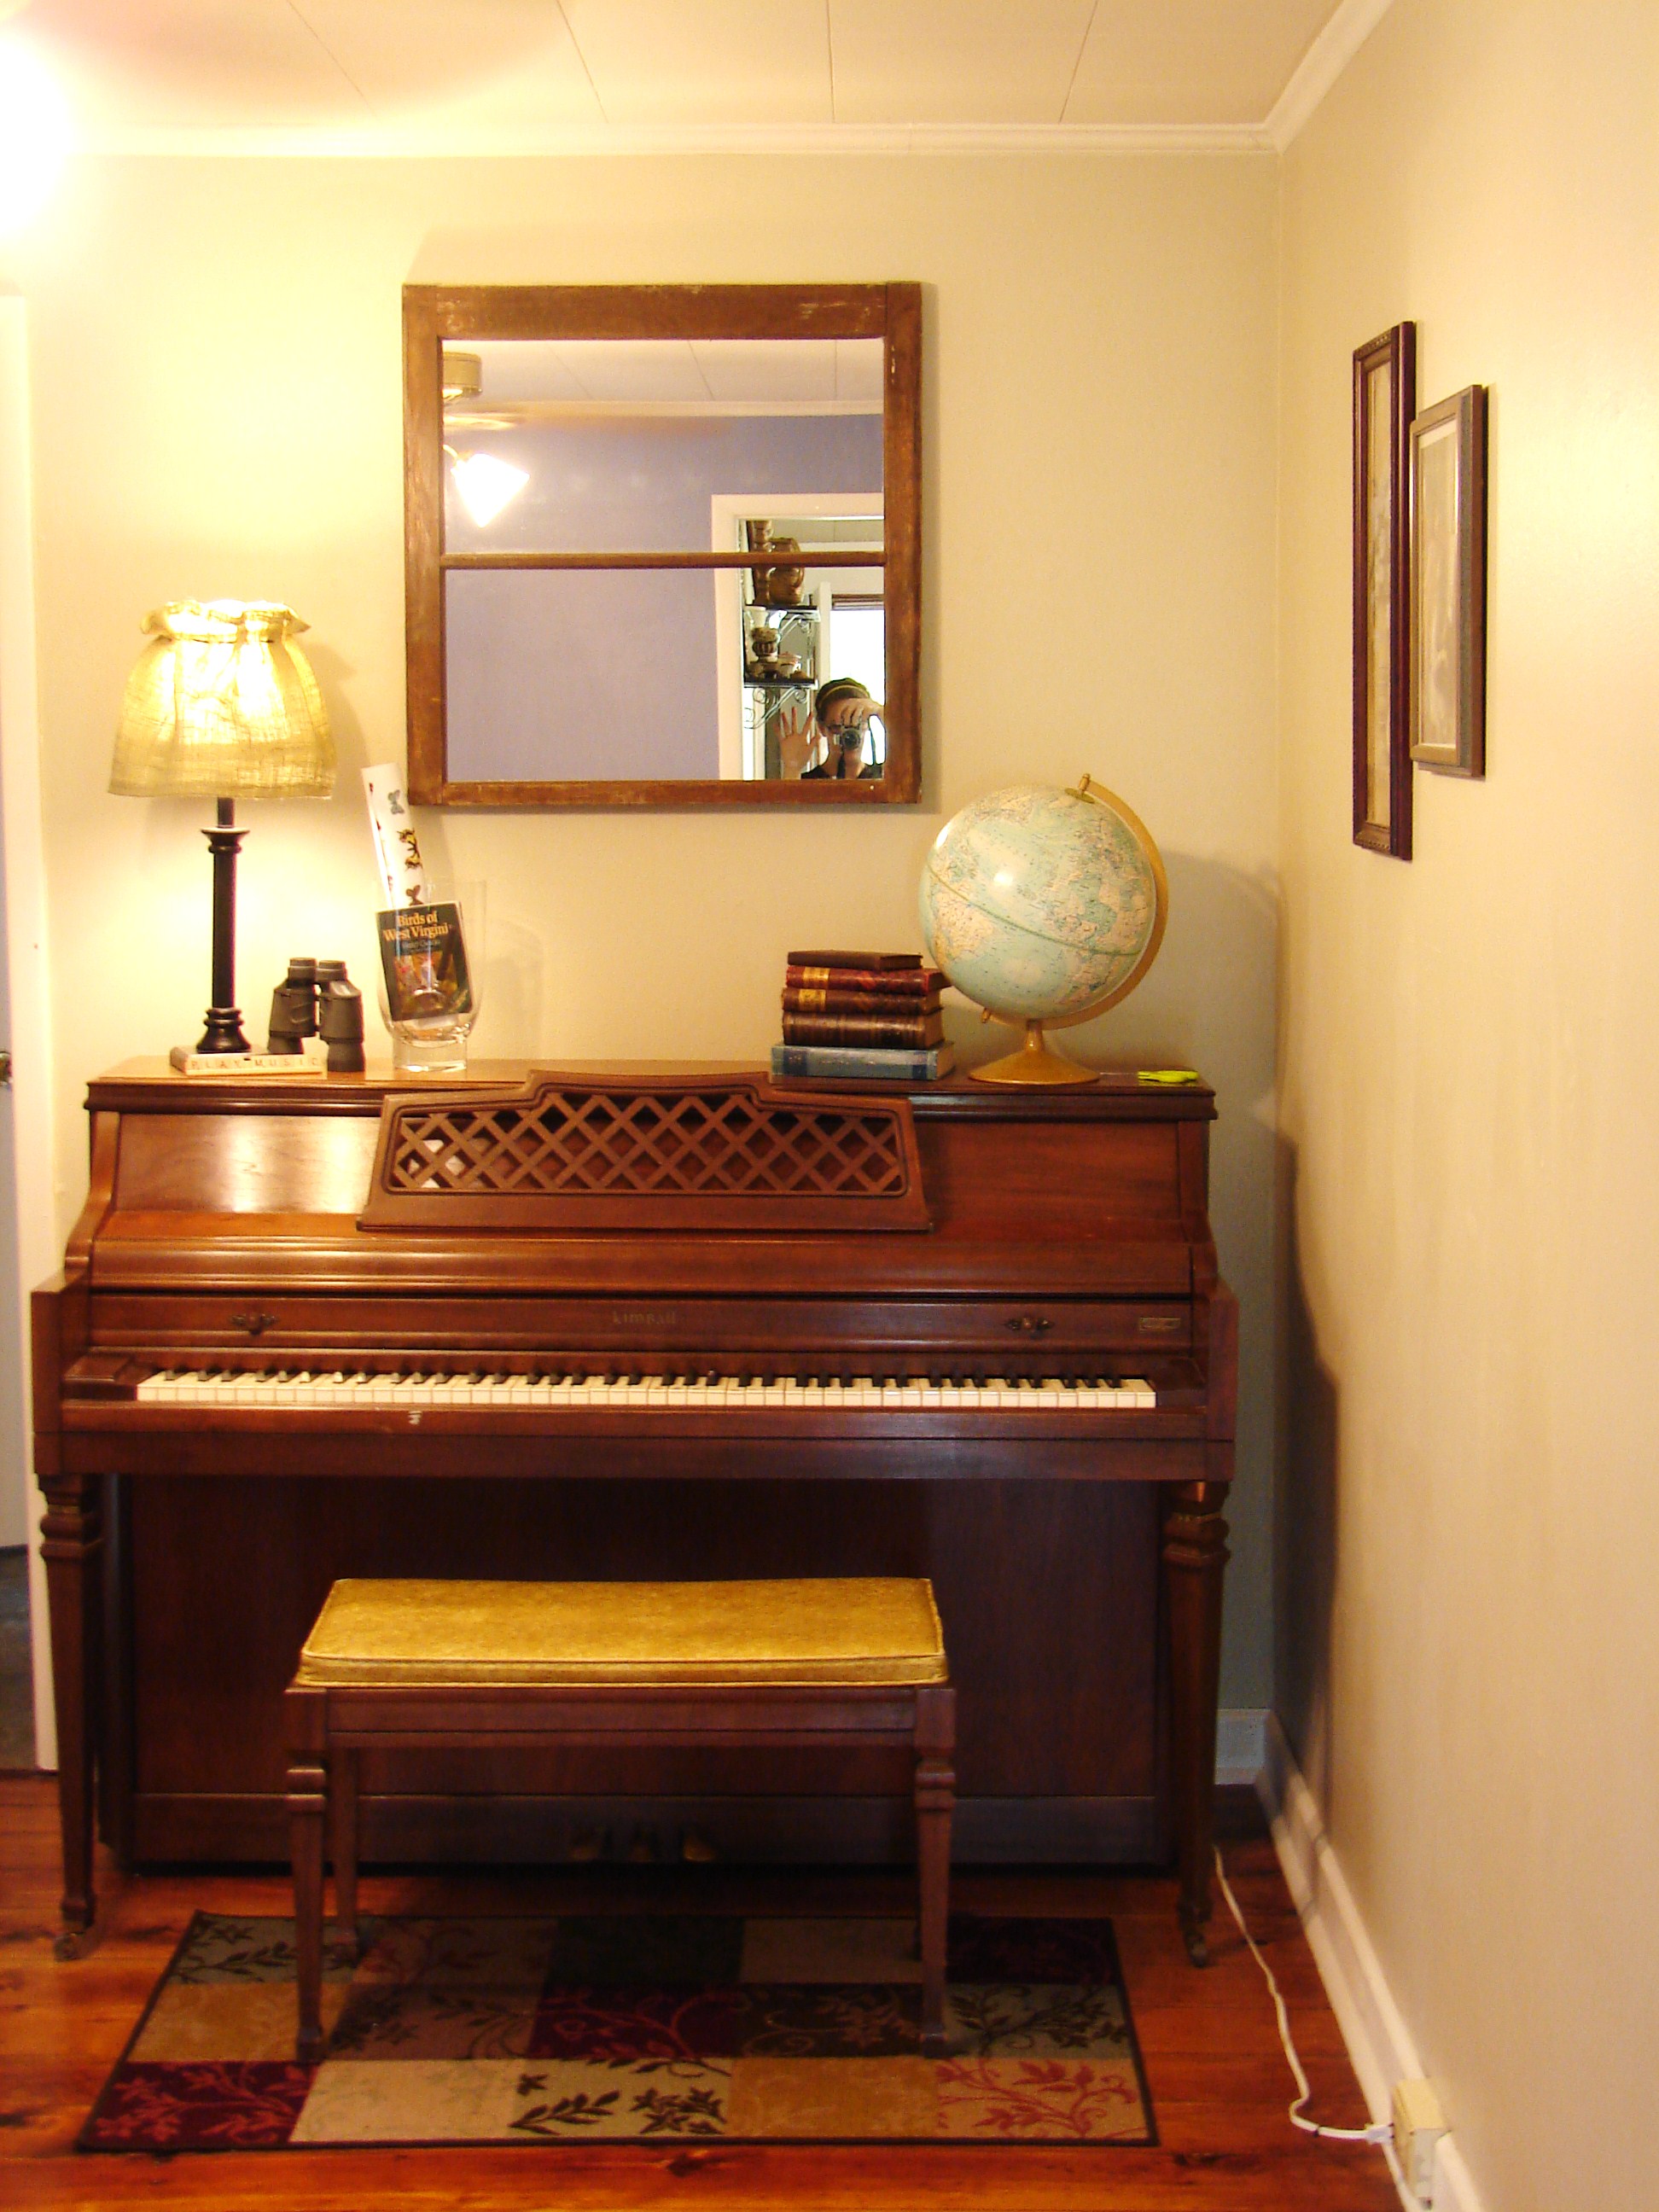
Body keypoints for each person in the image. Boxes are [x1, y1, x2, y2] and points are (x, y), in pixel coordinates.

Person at [777, 678, 885, 779]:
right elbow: (789, 793)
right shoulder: (806, 783)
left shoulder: (887, 779)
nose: (849, 735)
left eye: (857, 725)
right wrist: (792, 769)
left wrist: (883, 714)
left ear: (867, 725)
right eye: (838, 727)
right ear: (821, 728)